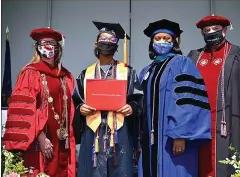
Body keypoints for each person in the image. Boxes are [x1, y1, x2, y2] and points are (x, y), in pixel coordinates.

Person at [187, 14, 240, 177]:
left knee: (230, 165)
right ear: (201, 33)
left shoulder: (239, 54)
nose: (211, 32)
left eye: (215, 29)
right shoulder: (194, 57)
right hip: (198, 125)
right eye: (206, 30)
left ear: (225, 31)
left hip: (230, 123)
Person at [138, 19, 212, 177]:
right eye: (157, 39)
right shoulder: (149, 69)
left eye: (167, 38)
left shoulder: (182, 63)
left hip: (171, 138)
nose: (162, 42)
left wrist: (181, 135)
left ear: (174, 41)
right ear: (151, 42)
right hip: (151, 138)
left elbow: (187, 99)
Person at [73, 21, 143, 177]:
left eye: (111, 40)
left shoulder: (128, 72)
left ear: (117, 46)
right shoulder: (86, 74)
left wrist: (131, 107)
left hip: (119, 133)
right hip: (93, 133)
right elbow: (76, 101)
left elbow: (139, 101)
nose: (107, 43)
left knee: (120, 170)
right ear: (96, 44)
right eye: (103, 39)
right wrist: (80, 109)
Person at [3, 27, 76, 176]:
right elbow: (24, 111)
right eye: (44, 43)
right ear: (37, 47)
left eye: (52, 43)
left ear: (58, 49)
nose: (48, 47)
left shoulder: (65, 76)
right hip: (40, 143)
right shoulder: (30, 73)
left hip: (61, 143)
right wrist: (41, 138)